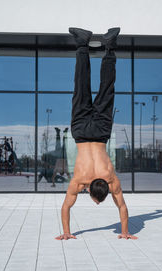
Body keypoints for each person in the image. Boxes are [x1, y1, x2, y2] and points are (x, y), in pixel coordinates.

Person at [55, 27, 137, 240]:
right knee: (81, 87)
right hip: (82, 131)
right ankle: (82, 44)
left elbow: (123, 207)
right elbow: (66, 207)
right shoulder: (79, 181)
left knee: (107, 89)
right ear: (89, 190)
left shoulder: (111, 178)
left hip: (100, 132)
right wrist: (66, 232)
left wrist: (126, 231)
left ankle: (109, 47)